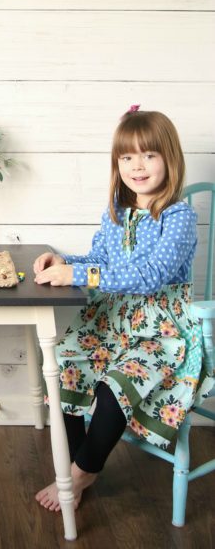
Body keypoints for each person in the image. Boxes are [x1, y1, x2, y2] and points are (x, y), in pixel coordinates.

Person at [33, 107, 213, 512]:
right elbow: (99, 260)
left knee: (115, 386)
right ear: (117, 164)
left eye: (149, 155)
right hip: (110, 321)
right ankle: (82, 465)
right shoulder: (116, 211)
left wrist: (78, 273)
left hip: (160, 331)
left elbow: (151, 275)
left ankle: (81, 473)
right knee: (64, 368)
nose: (137, 166)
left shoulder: (178, 217)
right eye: (127, 157)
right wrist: (62, 262)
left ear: (170, 159)